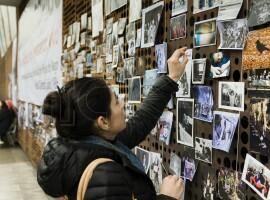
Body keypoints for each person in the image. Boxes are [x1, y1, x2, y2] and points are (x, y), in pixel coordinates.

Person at [37, 47, 188, 200]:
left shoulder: (90, 145)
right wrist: (167, 197)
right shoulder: (105, 174)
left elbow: (140, 123)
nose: (122, 104)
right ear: (103, 122)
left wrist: (171, 78)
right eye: (116, 102)